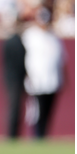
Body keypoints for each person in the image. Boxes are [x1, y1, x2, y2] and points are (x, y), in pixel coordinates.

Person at [22, 8, 65, 139]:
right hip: (37, 80)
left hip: (52, 80)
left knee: (48, 110)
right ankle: (36, 136)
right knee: (36, 111)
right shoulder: (30, 35)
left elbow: (61, 59)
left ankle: (44, 135)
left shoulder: (53, 37)